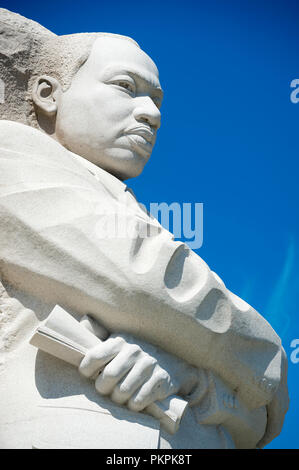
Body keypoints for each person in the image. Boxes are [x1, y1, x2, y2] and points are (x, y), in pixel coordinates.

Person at [0, 8, 289, 449]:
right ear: (47, 93)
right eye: (125, 87)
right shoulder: (11, 153)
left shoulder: (128, 205)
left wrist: (190, 378)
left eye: (156, 101)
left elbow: (257, 425)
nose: (150, 114)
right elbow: (143, 279)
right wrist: (268, 358)